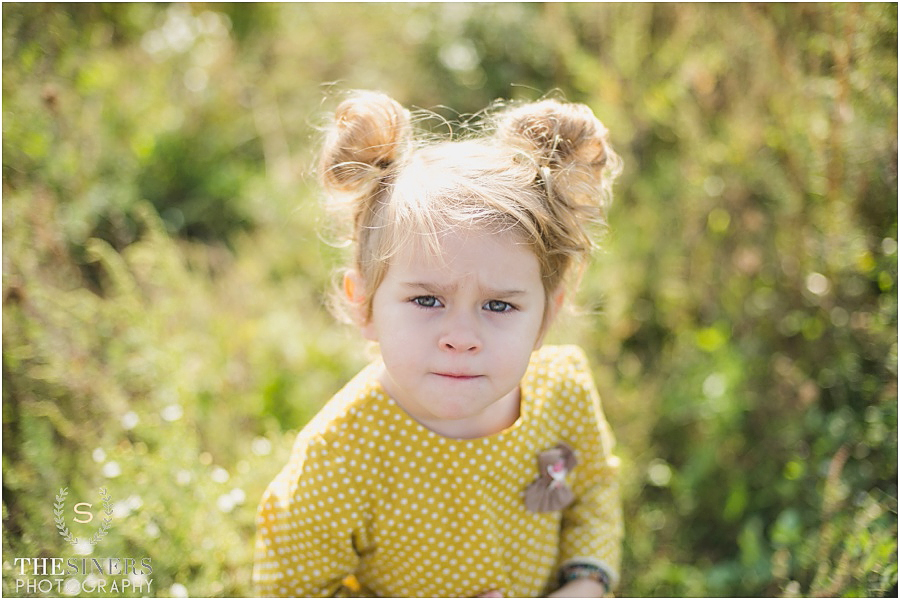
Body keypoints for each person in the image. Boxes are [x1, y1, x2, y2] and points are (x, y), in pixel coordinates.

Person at [253, 90, 624, 598]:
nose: (461, 339)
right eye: (427, 300)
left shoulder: (562, 393)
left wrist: (583, 585)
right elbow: (292, 586)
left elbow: (593, 494)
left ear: (546, 316)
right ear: (365, 305)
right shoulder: (343, 453)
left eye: (499, 306)